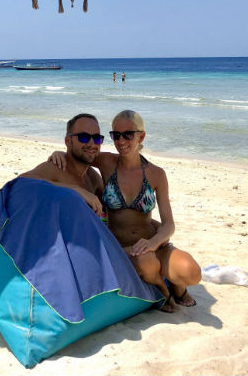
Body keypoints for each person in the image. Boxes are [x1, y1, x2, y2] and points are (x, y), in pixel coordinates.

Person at [50, 109, 201, 312]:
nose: (121, 141)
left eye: (128, 134)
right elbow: (80, 152)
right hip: (119, 247)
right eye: (116, 135)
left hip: (151, 243)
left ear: (142, 136)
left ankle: (178, 288)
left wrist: (153, 243)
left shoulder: (156, 174)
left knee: (191, 272)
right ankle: (163, 288)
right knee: (146, 262)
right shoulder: (106, 162)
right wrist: (59, 153)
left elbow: (168, 224)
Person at [20, 113, 105, 217]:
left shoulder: (93, 178)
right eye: (84, 137)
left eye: (97, 138)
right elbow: (20, 182)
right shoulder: (56, 167)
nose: (92, 144)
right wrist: (75, 190)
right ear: (68, 141)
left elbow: (110, 208)